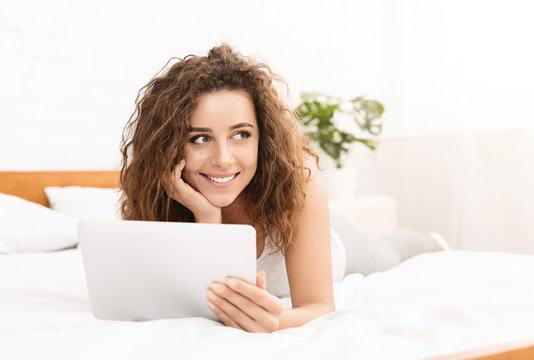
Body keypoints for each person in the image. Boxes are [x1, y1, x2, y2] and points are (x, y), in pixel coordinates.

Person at [119, 43, 444, 333]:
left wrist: (274, 322)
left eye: (241, 134)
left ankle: (434, 242)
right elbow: (200, 301)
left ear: (263, 138)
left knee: (393, 250)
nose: (223, 158)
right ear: (170, 145)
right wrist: (207, 216)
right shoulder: (159, 204)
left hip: (337, 246)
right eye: (200, 138)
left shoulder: (296, 176)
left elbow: (318, 307)